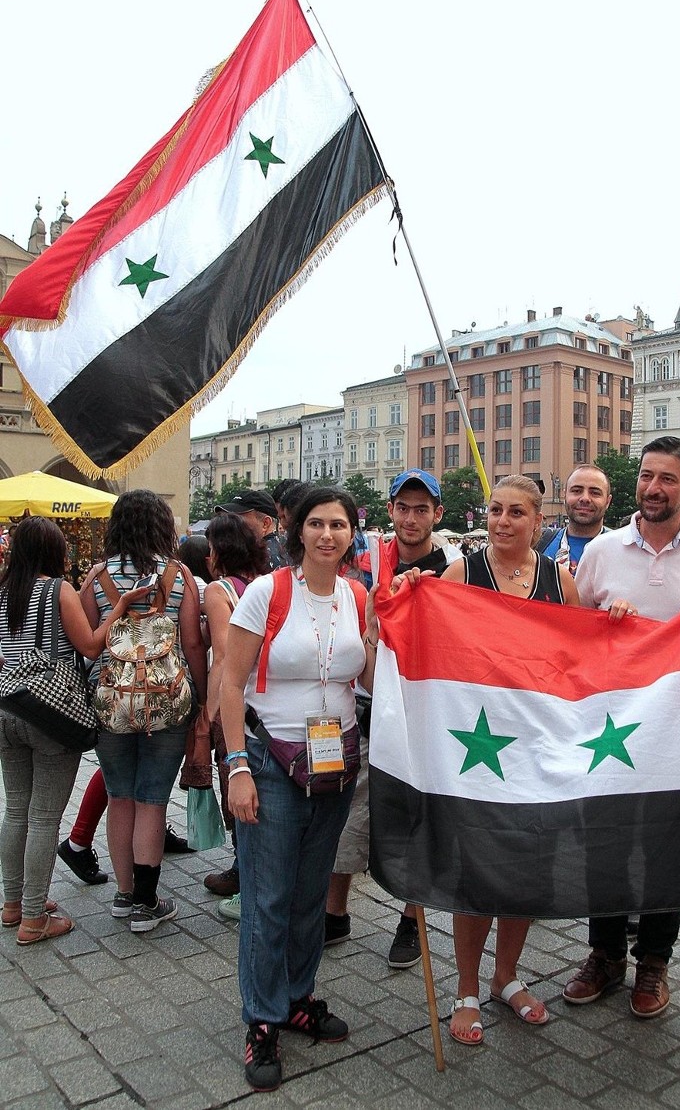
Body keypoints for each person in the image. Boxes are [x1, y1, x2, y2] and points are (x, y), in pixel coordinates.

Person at [394, 475, 578, 1046]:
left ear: (537, 520)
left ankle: (507, 976)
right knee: (474, 868)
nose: (502, 521)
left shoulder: (559, 580)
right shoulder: (460, 573)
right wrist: (404, 600)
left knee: (523, 868)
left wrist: (615, 618)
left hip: (535, 747)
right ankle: (467, 989)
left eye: (516, 512)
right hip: (474, 747)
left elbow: (580, 655)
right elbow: (426, 644)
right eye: (495, 510)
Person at [562, 436, 680, 1019]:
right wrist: (603, 629)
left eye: (667, 478)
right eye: (645, 476)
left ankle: (654, 964)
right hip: (609, 730)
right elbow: (570, 637)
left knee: (667, 847)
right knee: (605, 845)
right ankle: (605, 954)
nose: (654, 488)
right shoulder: (602, 553)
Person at [219, 486, 378, 1093]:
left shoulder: (357, 594)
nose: (328, 535)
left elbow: (361, 672)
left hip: (335, 764)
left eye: (339, 524)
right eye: (316, 524)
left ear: (350, 533)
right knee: (268, 897)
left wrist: (391, 632)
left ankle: (296, 997)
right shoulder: (267, 592)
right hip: (269, 761)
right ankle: (262, 1017)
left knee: (312, 891)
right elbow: (230, 684)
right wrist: (235, 768)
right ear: (296, 531)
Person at [325, 468, 462, 967]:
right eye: (403, 507)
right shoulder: (364, 565)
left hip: (425, 709)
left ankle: (411, 919)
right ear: (390, 511)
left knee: (418, 816)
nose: (411, 517)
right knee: (350, 809)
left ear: (437, 515)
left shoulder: (453, 571)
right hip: (366, 704)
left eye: (421, 509)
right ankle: (334, 912)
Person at [0, 517, 143, 943]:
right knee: (44, 815)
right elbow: (90, 644)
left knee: (15, 809)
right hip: (49, 711)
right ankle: (33, 919)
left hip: (6, 705)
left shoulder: (2, 591)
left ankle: (12, 903)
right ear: (53, 551)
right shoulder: (56, 589)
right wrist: (120, 605)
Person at [79, 490, 208, 933]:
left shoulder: (96, 576)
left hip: (110, 702)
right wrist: (201, 699)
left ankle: (123, 893)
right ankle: (146, 903)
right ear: (162, 526)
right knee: (153, 798)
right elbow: (192, 642)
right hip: (167, 705)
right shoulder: (180, 575)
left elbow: (84, 641)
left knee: (120, 796)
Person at [202, 512, 268, 922]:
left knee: (239, 792)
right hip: (267, 703)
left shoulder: (218, 590)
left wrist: (208, 713)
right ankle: (245, 873)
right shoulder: (266, 584)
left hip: (237, 704)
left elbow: (224, 657)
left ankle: (248, 883)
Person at [538, 464, 612, 573]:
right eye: (576, 491)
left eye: (595, 493)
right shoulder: (538, 544)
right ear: (565, 496)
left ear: (607, 501)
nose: (585, 498)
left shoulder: (622, 550)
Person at [215, 489, 283, 571]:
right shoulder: (291, 550)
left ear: (265, 523)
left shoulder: (258, 559)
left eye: (238, 519)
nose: (230, 524)